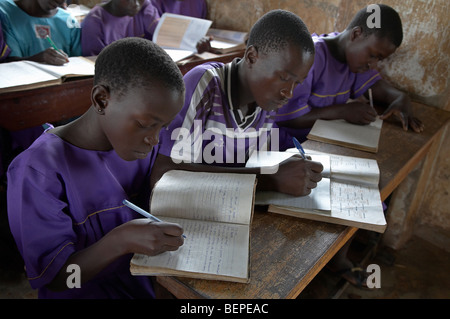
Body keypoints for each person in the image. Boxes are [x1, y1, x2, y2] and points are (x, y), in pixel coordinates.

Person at [6, 37, 186, 299]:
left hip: (146, 287)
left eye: (163, 126)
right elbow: (58, 280)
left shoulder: (145, 147)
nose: (155, 139)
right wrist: (119, 242)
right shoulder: (37, 171)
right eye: (146, 123)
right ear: (102, 100)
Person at [153, 9, 323, 197]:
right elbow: (164, 175)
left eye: (297, 82)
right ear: (251, 57)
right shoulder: (206, 83)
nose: (288, 93)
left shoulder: (267, 101)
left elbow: (250, 165)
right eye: (283, 77)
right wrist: (268, 179)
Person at [275, 4, 424, 148]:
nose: (373, 65)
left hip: (322, 143)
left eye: (379, 59)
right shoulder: (309, 57)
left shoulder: (354, 62)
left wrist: (402, 98)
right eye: (373, 55)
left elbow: (383, 91)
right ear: (356, 34)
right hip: (287, 146)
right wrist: (343, 111)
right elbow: (288, 117)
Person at [0, 0, 81, 65]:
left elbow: (78, 62)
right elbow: (7, 63)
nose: (60, 1)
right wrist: (38, 59)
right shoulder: (4, 12)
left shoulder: (68, 20)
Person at [81, 0, 160, 56]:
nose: (136, 4)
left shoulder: (145, 7)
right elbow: (94, 61)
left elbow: (162, 37)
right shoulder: (94, 21)